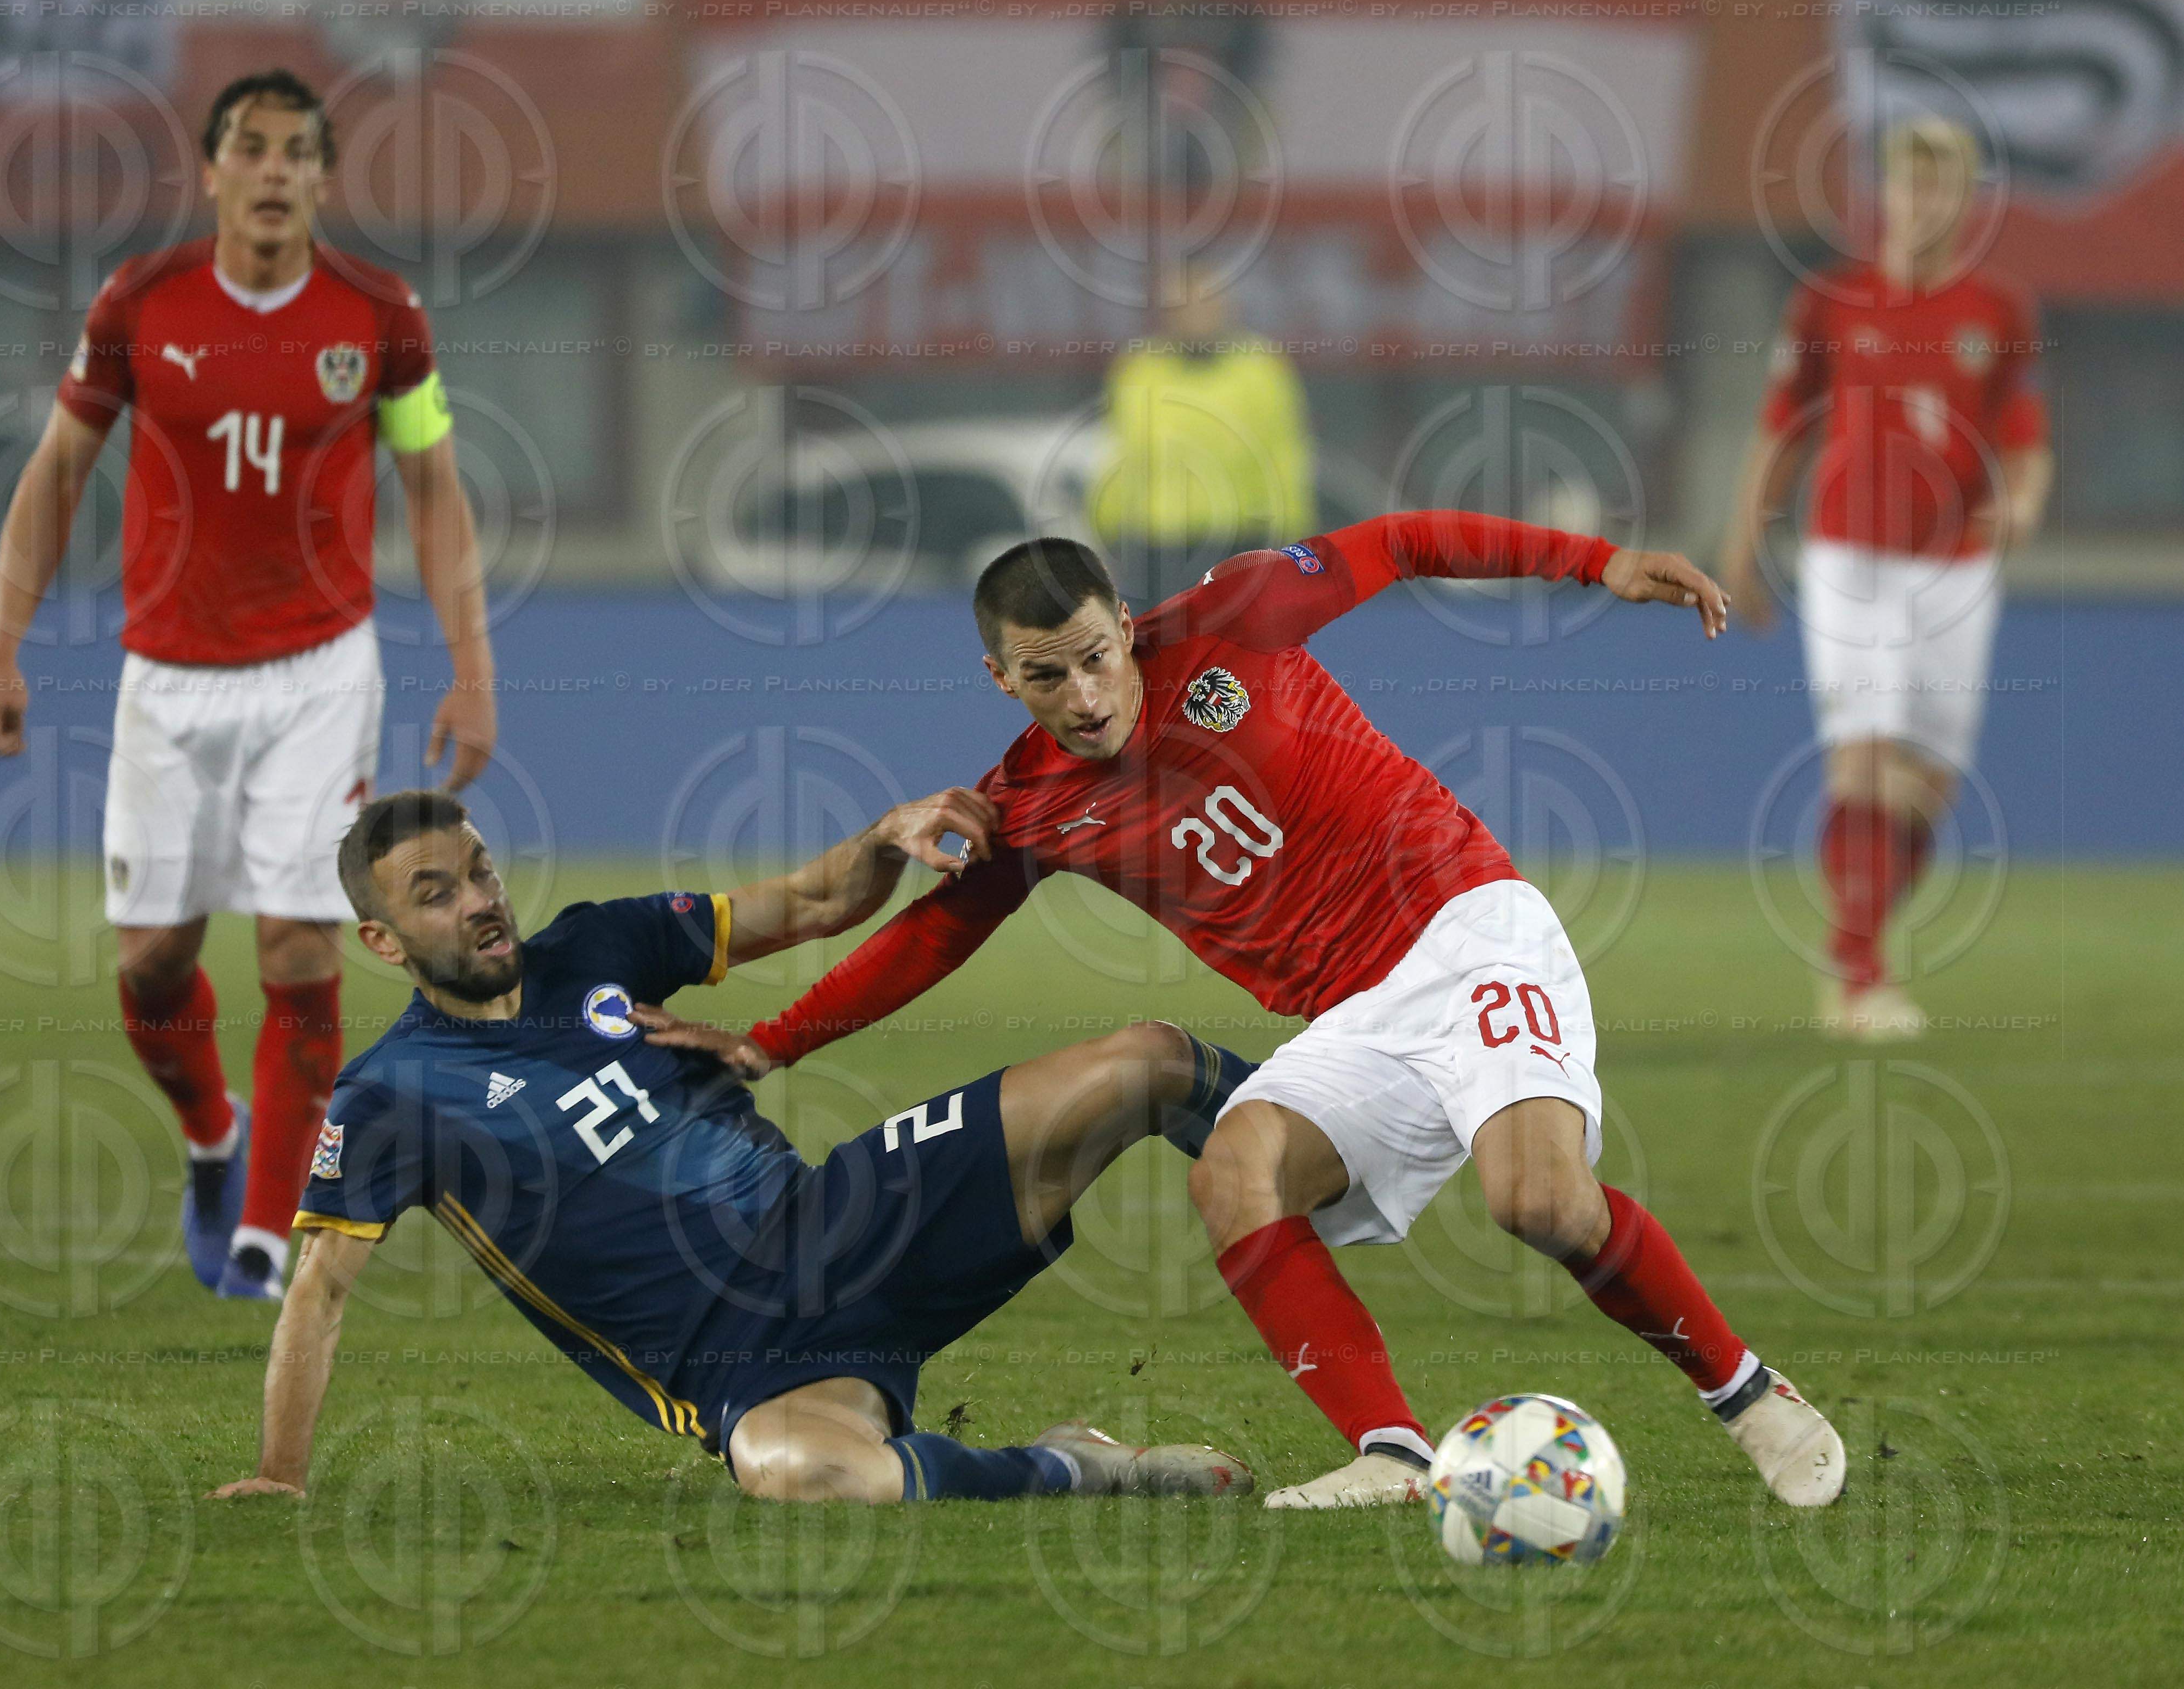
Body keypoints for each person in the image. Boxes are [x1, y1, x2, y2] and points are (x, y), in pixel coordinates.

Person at [737, 513, 1848, 1511]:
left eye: (1095, 656)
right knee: (1235, 1168)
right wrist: (766, 1045)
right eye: (1045, 675)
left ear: (1123, 622)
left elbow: (1403, 541)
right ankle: (1392, 1452)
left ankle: (1749, 1394)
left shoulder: (1238, 613)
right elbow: (927, 940)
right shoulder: (1026, 806)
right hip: (1354, 1017)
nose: (1083, 696)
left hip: (1465, 925)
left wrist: (1596, 562)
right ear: (999, 677)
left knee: (1541, 1202)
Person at [209, 789, 1257, 1505]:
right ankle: (1075, 1466)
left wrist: (883, 838)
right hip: (748, 1364)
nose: (480, 901)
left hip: (851, 1216)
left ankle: (1323, 1152)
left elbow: (808, 901)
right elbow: (320, 1287)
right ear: (382, 940)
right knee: (803, 1474)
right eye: (436, 892)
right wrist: (282, 1471)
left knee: (1145, 1061)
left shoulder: (598, 943)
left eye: (480, 871)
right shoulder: (391, 1093)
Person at [0, 69, 499, 1302]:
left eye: (296, 152)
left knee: (299, 945)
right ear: (211, 172)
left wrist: (472, 669)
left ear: (322, 178)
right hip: (169, 678)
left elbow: (434, 492)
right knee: (154, 959)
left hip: (320, 673)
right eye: (250, 149)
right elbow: (57, 472)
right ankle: (214, 1136)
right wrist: (2, 644)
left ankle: (262, 1236)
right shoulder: (139, 301)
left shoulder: (381, 314)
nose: (273, 171)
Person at [1720, 115, 2052, 1036]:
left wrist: (2024, 501)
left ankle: (1854, 944)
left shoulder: (1998, 312)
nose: (1922, 201)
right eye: (1909, 182)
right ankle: (1861, 971)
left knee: (1928, 784)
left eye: (1941, 184)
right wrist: (1744, 541)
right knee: (1863, 754)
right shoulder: (1833, 300)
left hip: (1955, 565)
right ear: (1888, 195)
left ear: (1966, 201)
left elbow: (2024, 436)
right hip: (1848, 553)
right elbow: (1781, 424)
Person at [1088, 264, 1313, 609]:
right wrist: (1105, 534)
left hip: (1241, 541)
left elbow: (1285, 458)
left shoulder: (1261, 370)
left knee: (1236, 640)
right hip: (1156, 544)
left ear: (1227, 307)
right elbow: (1122, 457)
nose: (1195, 316)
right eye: (1183, 306)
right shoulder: (1140, 369)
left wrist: (1294, 542)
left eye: (1205, 303)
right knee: (1159, 640)